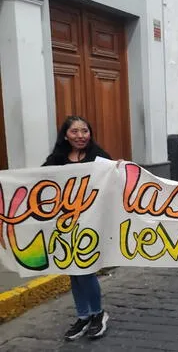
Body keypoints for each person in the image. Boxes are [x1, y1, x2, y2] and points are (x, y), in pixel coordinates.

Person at [43, 116, 110, 341]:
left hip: (91, 223)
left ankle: (98, 314)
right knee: (73, 270)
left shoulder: (99, 156)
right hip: (65, 225)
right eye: (75, 131)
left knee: (85, 269)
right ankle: (83, 316)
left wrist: (120, 168)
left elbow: (115, 181)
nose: (81, 136)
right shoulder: (56, 158)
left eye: (85, 131)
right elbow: (40, 182)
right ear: (65, 135)